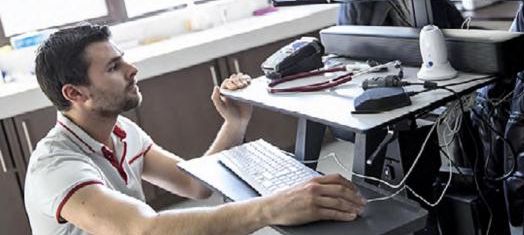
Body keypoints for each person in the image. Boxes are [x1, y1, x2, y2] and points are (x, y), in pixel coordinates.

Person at [25, 24, 366, 234]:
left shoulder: (121, 132)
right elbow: (144, 230)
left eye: (123, 58)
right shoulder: (56, 168)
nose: (132, 69)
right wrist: (272, 207)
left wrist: (235, 123)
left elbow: (194, 185)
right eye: (114, 67)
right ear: (75, 93)